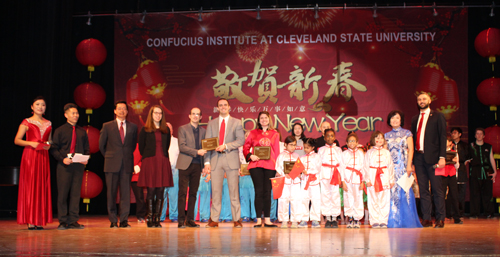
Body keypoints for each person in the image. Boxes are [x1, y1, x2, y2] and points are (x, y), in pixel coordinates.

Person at [204, 98, 245, 228]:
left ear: (229, 107)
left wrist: (226, 146)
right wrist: (206, 162)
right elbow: (207, 143)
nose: (223, 107)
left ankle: (237, 219)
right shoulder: (212, 123)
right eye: (220, 105)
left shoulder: (236, 122)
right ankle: (214, 219)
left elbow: (240, 140)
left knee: (234, 191)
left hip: (231, 159)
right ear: (217, 108)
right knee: (216, 192)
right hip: (215, 159)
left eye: (225, 105)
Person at [14, 96, 53, 230]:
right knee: (31, 186)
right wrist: (31, 143)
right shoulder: (26, 122)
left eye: (43, 105)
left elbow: (50, 140)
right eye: (38, 104)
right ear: (32, 107)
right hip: (30, 156)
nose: (41, 107)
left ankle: (39, 220)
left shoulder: (49, 123)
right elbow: (17, 140)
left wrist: (48, 145)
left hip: (43, 156)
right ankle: (31, 219)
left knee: (41, 186)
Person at [99, 100, 138, 228]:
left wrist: (124, 156)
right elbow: (101, 146)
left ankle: (124, 220)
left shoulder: (133, 127)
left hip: (126, 163)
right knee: (111, 193)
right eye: (119, 108)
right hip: (111, 164)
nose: (122, 111)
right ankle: (112, 220)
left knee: (125, 194)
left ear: (127, 112)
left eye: (124, 109)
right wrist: (110, 157)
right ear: (115, 111)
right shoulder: (107, 126)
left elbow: (132, 146)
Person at [50, 103, 89, 230]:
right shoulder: (60, 130)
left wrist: (86, 159)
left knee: (75, 194)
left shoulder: (82, 131)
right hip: (64, 166)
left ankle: (73, 220)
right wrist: (63, 159)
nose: (76, 115)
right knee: (62, 194)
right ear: (66, 115)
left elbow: (87, 149)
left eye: (77, 113)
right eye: (73, 113)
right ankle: (62, 221)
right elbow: (54, 149)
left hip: (78, 166)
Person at [411, 92, 447, 228]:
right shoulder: (415, 119)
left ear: (429, 100)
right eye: (419, 99)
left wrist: (442, 157)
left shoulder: (438, 116)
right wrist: (413, 160)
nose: (421, 101)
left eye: (424, 99)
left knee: (437, 189)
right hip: (419, 158)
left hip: (434, 159)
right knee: (423, 189)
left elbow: (442, 137)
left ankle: (440, 218)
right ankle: (426, 218)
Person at [385, 110, 422, 228]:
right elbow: (386, 154)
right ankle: (393, 220)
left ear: (401, 120)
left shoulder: (407, 133)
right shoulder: (386, 136)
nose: (395, 120)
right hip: (391, 169)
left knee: (404, 192)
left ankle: (407, 220)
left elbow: (411, 150)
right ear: (389, 121)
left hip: (403, 167)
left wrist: (409, 165)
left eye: (397, 118)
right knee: (392, 193)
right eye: (392, 118)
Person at [243, 111, 280, 227]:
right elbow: (246, 147)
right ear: (258, 121)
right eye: (261, 118)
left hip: (270, 166)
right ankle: (258, 219)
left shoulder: (275, 134)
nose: (264, 120)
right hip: (256, 166)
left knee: (267, 192)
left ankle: (268, 219)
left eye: (266, 118)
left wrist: (278, 168)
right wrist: (250, 156)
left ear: (269, 120)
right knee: (258, 192)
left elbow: (277, 151)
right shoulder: (253, 133)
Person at [138, 105, 173, 228]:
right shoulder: (145, 129)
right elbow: (141, 148)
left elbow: (167, 145)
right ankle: (150, 218)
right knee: (151, 190)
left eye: (160, 113)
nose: (158, 115)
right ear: (151, 115)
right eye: (155, 113)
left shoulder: (166, 130)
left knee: (160, 190)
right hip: (150, 162)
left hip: (162, 161)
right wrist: (149, 156)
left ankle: (157, 218)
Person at [176, 107, 206, 228]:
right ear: (189, 116)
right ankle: (180, 220)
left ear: (201, 117)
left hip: (197, 165)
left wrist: (204, 165)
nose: (195, 116)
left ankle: (190, 220)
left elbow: (205, 149)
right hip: (184, 164)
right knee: (182, 193)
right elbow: (182, 147)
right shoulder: (182, 129)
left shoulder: (204, 131)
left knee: (193, 193)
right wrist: (197, 152)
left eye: (197, 114)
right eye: (193, 114)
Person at [364, 131, 394, 228]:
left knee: (384, 199)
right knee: (373, 199)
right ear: (373, 139)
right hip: (373, 178)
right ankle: (374, 220)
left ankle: (383, 220)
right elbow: (365, 166)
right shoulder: (369, 152)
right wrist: (367, 179)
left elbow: (390, 167)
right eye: (377, 138)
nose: (379, 140)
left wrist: (391, 180)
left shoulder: (387, 152)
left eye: (381, 138)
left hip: (384, 177)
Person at [467, 128, 497, 219]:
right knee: (475, 193)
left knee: (487, 194)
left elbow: (492, 159)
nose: (479, 135)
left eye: (481, 134)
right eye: (477, 134)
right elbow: (467, 157)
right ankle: (474, 213)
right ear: (475, 135)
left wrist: (495, 171)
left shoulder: (488, 146)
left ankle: (489, 213)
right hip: (475, 171)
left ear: (484, 136)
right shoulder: (471, 146)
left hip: (487, 171)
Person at [318, 129, 344, 228]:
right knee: (325, 196)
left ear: (335, 137)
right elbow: (318, 163)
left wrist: (342, 178)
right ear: (324, 137)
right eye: (327, 136)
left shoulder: (338, 149)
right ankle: (328, 218)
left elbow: (341, 164)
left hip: (335, 174)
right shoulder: (321, 149)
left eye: (331, 136)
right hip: (324, 175)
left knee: (335, 195)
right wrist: (319, 177)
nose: (329, 138)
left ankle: (334, 218)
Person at [275, 136, 301, 229]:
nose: (293, 147)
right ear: (285, 145)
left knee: (296, 200)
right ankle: (284, 220)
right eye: (291, 145)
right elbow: (278, 168)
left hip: (295, 181)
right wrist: (284, 173)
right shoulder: (281, 156)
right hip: (284, 181)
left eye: (294, 145)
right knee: (283, 200)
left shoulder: (297, 156)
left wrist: (296, 174)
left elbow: (299, 168)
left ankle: (295, 220)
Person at [341, 132, 365, 229]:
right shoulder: (344, 154)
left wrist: (363, 181)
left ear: (357, 142)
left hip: (358, 179)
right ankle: (350, 217)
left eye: (353, 141)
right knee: (348, 198)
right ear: (346, 143)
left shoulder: (361, 153)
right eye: (350, 141)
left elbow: (364, 168)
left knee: (358, 198)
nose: (351, 142)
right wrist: (343, 181)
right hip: (347, 178)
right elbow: (341, 168)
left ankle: (357, 218)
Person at [299, 138, 322, 228]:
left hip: (314, 181)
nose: (306, 149)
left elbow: (318, 168)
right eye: (304, 147)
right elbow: (299, 168)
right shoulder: (302, 158)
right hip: (304, 181)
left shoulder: (317, 156)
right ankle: (303, 219)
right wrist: (301, 173)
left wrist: (307, 171)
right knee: (304, 200)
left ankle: (315, 219)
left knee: (315, 200)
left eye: (308, 147)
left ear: (313, 147)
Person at [439, 137, 462, 224]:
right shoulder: (440, 153)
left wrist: (456, 162)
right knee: (441, 196)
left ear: (450, 143)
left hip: (452, 175)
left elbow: (457, 166)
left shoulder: (454, 152)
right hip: (443, 175)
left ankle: (457, 217)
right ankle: (442, 216)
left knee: (454, 196)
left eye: (446, 141)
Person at [160, 123, 179, 223]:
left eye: (169, 128)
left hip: (174, 170)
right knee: (161, 194)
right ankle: (161, 216)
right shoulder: (159, 140)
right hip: (162, 170)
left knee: (173, 194)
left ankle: (174, 215)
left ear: (172, 130)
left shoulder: (177, 141)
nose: (167, 130)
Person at [450, 127, 469, 217]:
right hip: (451, 170)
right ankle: (451, 213)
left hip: (461, 171)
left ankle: (460, 213)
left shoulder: (465, 146)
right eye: (452, 133)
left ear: (460, 134)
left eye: (455, 133)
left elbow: (468, 158)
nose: (453, 134)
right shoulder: (449, 145)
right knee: (451, 193)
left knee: (461, 194)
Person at [238, 131, 256, 223]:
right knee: (243, 196)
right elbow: (237, 161)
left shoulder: (257, 148)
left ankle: (255, 215)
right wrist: (238, 169)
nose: (248, 137)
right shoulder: (240, 149)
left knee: (254, 196)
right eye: (246, 135)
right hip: (243, 175)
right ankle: (245, 215)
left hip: (254, 174)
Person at [131, 144, 146, 223]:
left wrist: (138, 166)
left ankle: (140, 215)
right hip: (124, 173)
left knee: (139, 196)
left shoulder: (139, 146)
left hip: (136, 173)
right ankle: (123, 215)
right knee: (124, 196)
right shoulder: (122, 145)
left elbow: (145, 158)